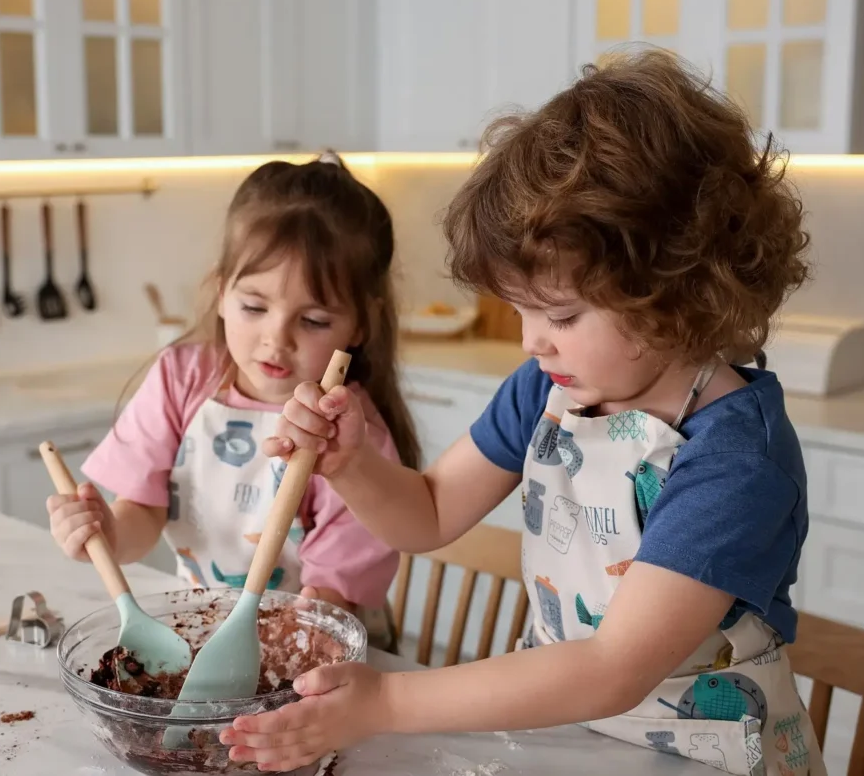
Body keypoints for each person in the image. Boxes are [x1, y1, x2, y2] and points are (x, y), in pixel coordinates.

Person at [225, 49, 825, 776]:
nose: (530, 340)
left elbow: (613, 667)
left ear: (678, 288)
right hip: (564, 730)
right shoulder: (550, 387)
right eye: (520, 310)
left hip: (705, 755)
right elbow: (432, 513)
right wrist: (351, 465)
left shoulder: (736, 458)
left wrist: (386, 703)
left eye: (562, 314)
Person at [46, 152, 419, 645]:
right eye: (254, 306)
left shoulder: (347, 432)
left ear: (361, 323)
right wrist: (107, 535)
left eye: (313, 320)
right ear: (222, 293)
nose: (275, 339)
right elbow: (144, 512)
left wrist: (292, 635)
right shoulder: (181, 379)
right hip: (204, 627)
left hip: (314, 642)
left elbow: (332, 593)